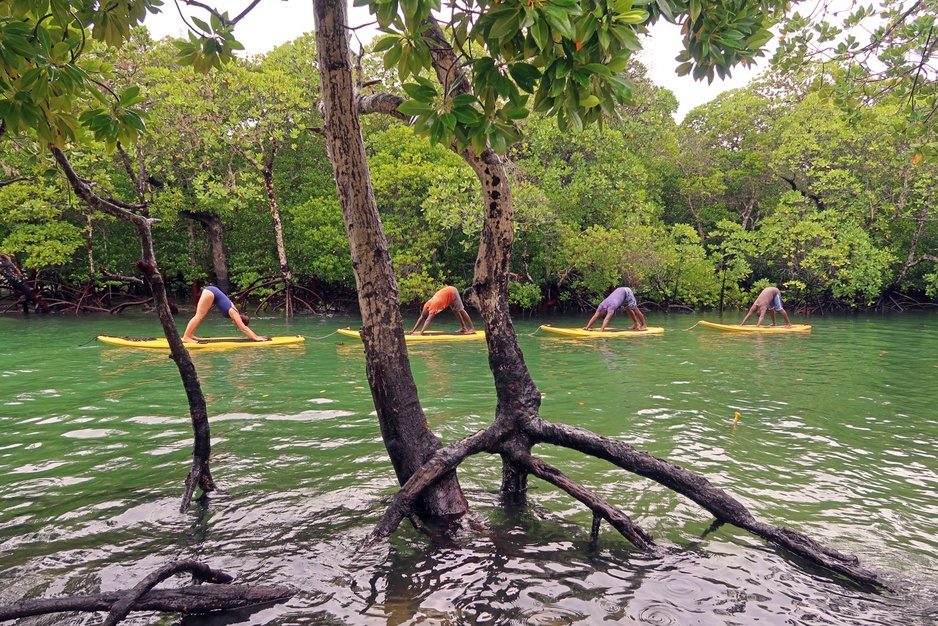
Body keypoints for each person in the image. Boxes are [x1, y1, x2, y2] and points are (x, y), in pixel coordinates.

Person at [182, 285, 269, 343]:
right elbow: (244, 328)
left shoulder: (236, 312)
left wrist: (256, 336)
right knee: (199, 316)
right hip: (210, 293)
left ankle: (190, 335)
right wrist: (256, 338)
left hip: (212, 292)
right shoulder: (234, 313)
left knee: (200, 316)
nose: (237, 325)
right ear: (240, 319)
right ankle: (186, 337)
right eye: (238, 324)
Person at [407, 286, 476, 335]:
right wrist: (413, 330)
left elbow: (428, 320)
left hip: (452, 292)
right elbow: (421, 318)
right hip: (448, 296)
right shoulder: (426, 306)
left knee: (461, 310)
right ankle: (464, 328)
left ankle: (472, 329)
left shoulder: (433, 307)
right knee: (455, 311)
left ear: (430, 313)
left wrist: (421, 333)